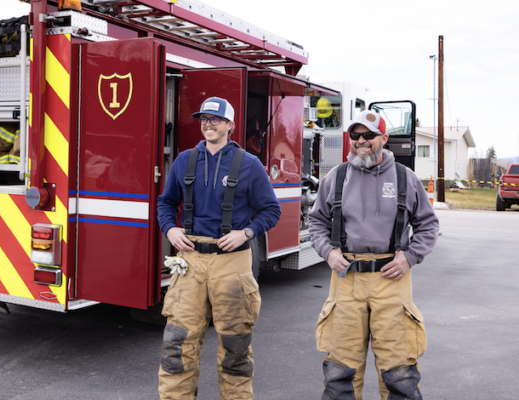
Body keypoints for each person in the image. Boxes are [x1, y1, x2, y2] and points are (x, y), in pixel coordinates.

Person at [309, 110, 439, 400]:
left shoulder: (405, 178)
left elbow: (428, 225)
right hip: (345, 282)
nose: (361, 141)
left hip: (392, 282)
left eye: (368, 135)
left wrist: (409, 256)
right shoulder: (336, 177)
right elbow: (317, 221)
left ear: (384, 138)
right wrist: (328, 252)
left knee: (399, 373)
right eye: (355, 135)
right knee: (340, 372)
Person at [157, 97, 281, 400]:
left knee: (235, 347)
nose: (208, 124)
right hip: (190, 262)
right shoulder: (184, 160)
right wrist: (170, 229)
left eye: (215, 119)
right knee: (177, 344)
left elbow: (271, 210)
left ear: (230, 125)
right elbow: (166, 202)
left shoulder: (249, 164)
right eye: (204, 118)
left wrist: (246, 233)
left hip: (232, 263)